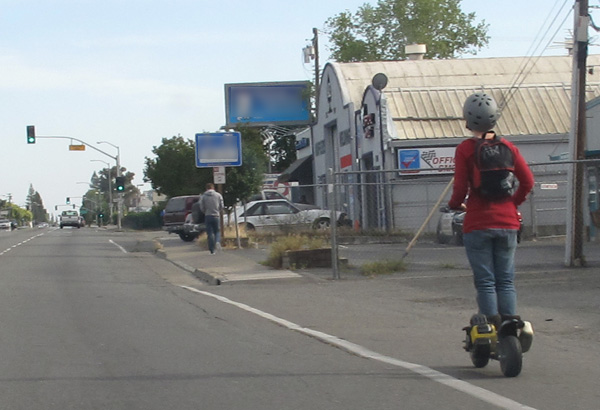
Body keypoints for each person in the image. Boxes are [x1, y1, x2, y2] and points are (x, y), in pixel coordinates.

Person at [448, 93, 534, 326]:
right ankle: (510, 322)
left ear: (467, 119)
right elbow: (527, 182)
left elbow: (460, 187)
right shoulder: (508, 147)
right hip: (507, 222)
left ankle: (490, 325)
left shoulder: (465, 149)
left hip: (477, 222)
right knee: (505, 279)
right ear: (495, 118)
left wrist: (455, 205)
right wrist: (512, 203)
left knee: (485, 280)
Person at [199, 183, 224, 255]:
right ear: (213, 188)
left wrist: (205, 212)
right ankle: (217, 241)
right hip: (216, 215)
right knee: (217, 231)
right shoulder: (218, 195)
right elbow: (221, 206)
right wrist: (218, 211)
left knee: (210, 233)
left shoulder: (203, 196)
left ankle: (212, 250)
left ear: (206, 188)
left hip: (208, 215)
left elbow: (201, 206)